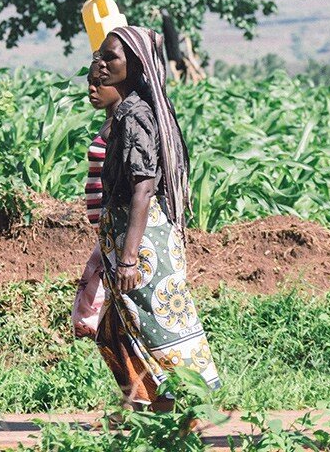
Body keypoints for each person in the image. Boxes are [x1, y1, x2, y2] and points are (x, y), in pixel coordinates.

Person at [94, 26, 220, 411]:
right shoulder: (127, 112)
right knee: (118, 330)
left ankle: (192, 409)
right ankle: (145, 409)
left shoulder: (136, 117)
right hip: (131, 241)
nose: (98, 66)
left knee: (159, 329)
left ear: (133, 66)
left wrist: (129, 257)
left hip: (143, 246)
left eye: (110, 58)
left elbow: (143, 188)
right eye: (98, 57)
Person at [71, 61, 121, 338]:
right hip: (104, 228)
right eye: (89, 81)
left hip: (115, 227)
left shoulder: (123, 126)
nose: (92, 88)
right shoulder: (109, 122)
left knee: (100, 301)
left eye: (100, 83)